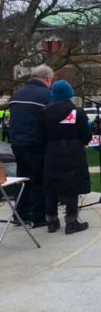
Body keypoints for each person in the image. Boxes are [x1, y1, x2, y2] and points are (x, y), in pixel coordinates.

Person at [36, 80, 91, 234]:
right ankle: (72, 222)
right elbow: (86, 136)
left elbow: (39, 137)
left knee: (51, 186)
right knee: (72, 186)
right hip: (73, 153)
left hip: (52, 152)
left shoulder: (44, 112)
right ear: (69, 94)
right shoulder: (76, 112)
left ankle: (51, 221)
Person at [8, 64, 53, 227]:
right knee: (39, 180)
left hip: (17, 143)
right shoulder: (47, 95)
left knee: (23, 179)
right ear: (48, 79)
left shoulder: (17, 94)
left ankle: (19, 214)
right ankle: (38, 216)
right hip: (36, 144)